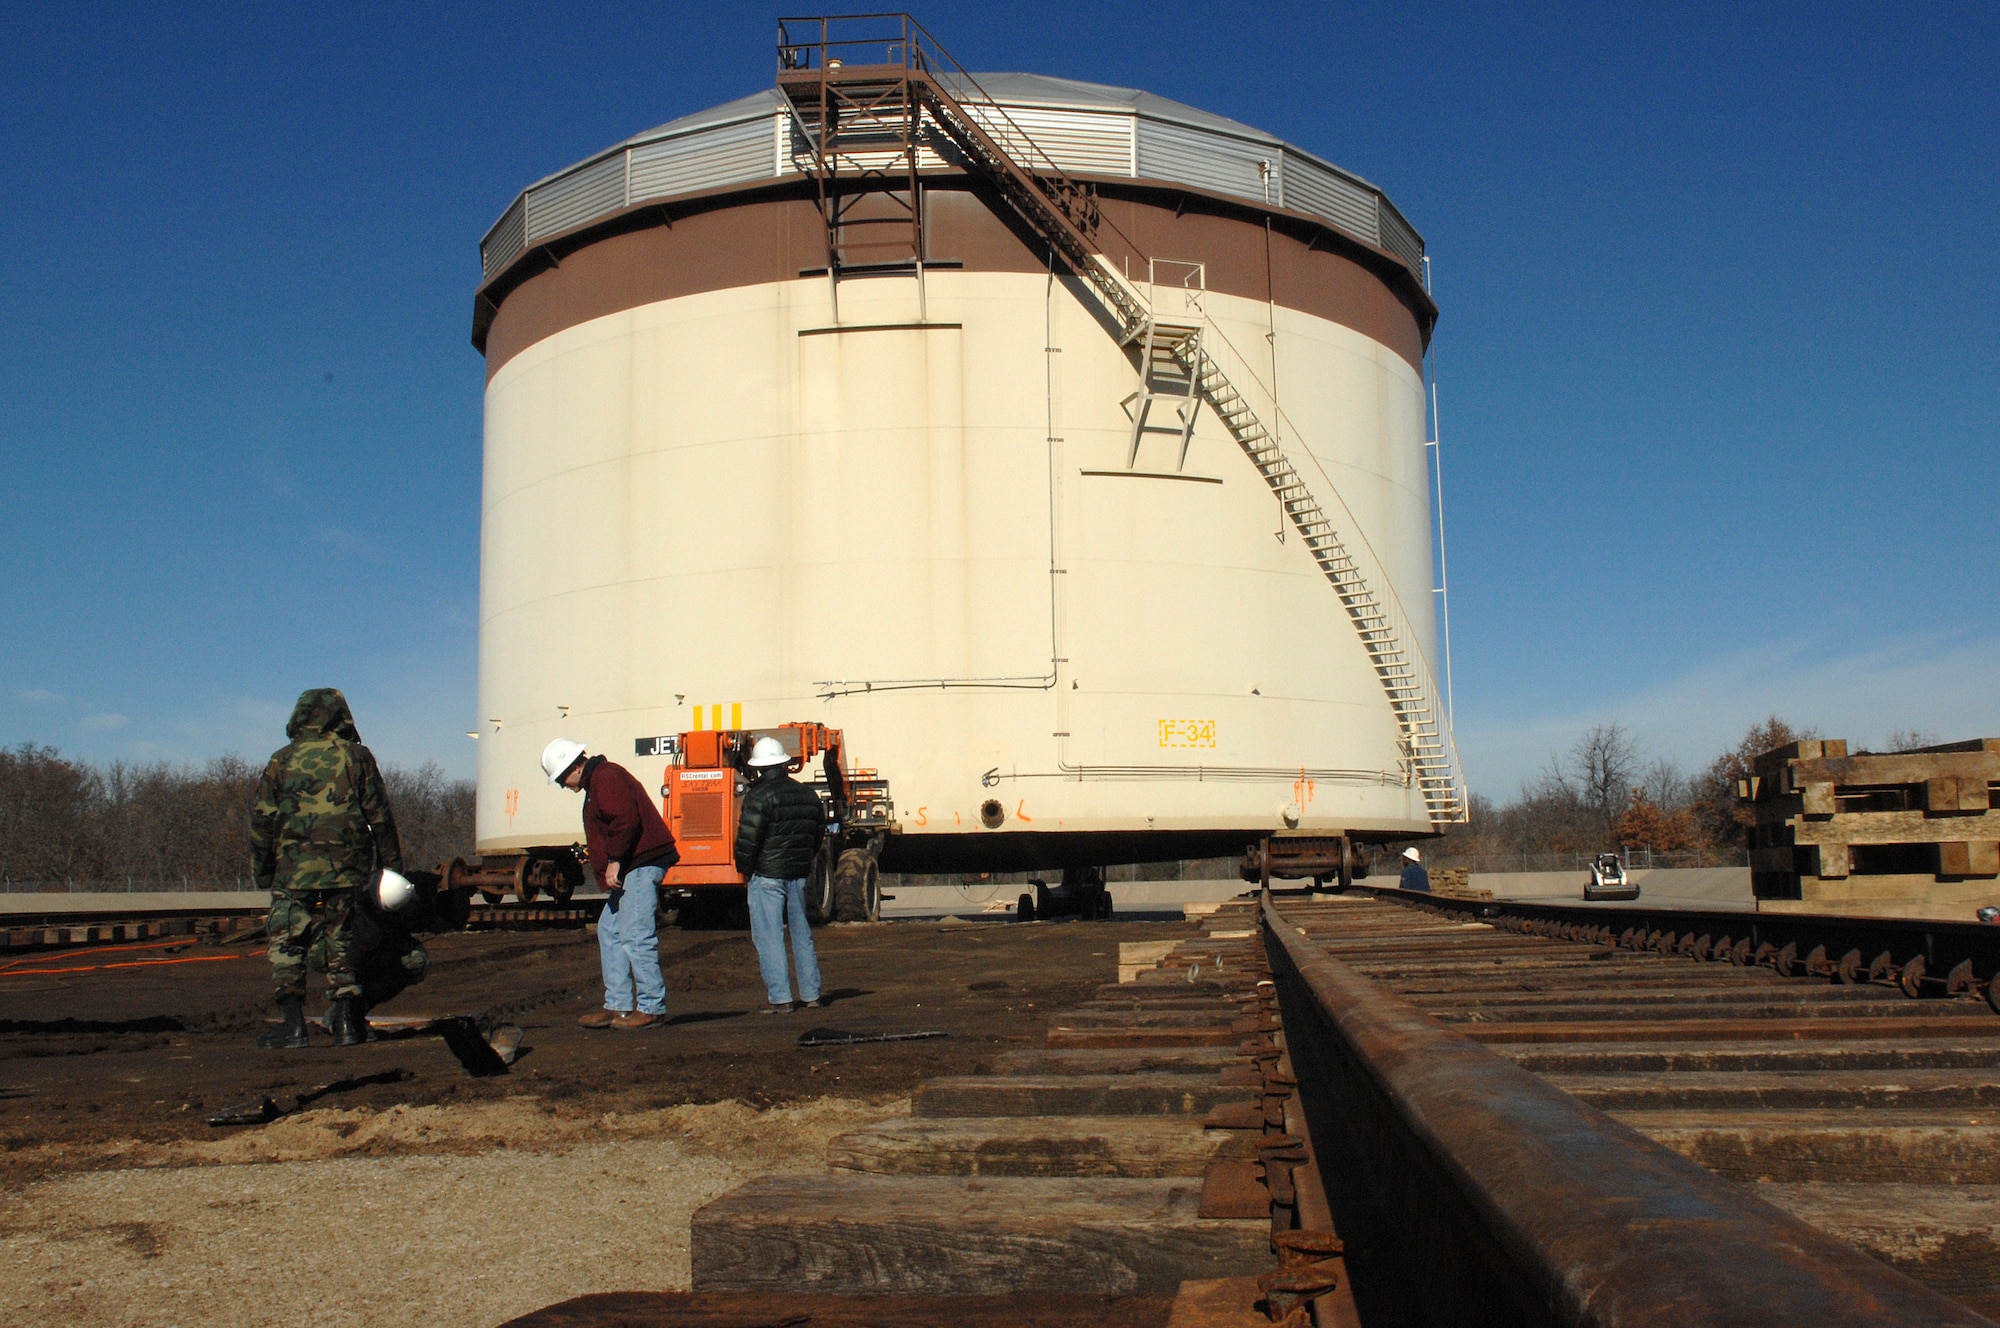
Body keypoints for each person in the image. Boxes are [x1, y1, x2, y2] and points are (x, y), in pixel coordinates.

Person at [249, 688, 403, 1049]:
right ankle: (348, 1024)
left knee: (288, 939)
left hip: (293, 869)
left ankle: (293, 1026)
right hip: (347, 867)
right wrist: (392, 868)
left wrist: (264, 871)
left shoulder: (280, 761)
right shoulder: (357, 758)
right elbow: (380, 818)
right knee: (342, 938)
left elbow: (262, 822)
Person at [542, 738, 678, 1030]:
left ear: (572, 767)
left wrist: (615, 859)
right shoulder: (599, 781)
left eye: (561, 778)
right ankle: (618, 1005)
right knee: (610, 929)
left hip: (639, 863)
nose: (563, 785)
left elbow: (625, 820)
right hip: (632, 864)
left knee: (635, 933)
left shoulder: (606, 777)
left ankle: (652, 1007)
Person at [734, 736, 827, 1013]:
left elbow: (748, 840)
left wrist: (745, 870)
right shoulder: (808, 795)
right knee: (801, 933)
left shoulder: (758, 796)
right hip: (797, 874)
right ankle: (812, 995)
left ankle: (780, 998)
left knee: (769, 936)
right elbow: (816, 836)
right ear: (785, 763)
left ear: (760, 767)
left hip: (767, 874)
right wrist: (802, 862)